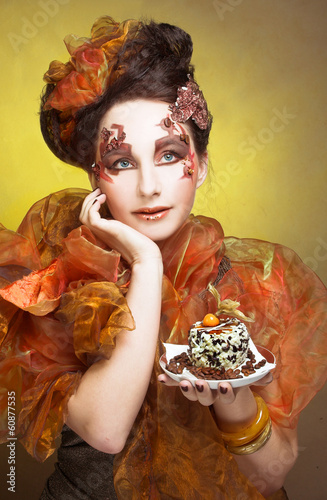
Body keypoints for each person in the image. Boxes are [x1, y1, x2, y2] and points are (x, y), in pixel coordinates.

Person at [0, 15, 326, 500]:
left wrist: (232, 396)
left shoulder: (259, 281)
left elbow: (271, 475)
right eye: (122, 162)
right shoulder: (57, 268)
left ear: (201, 165)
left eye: (171, 154)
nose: (149, 186)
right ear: (95, 176)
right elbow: (105, 430)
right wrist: (147, 266)